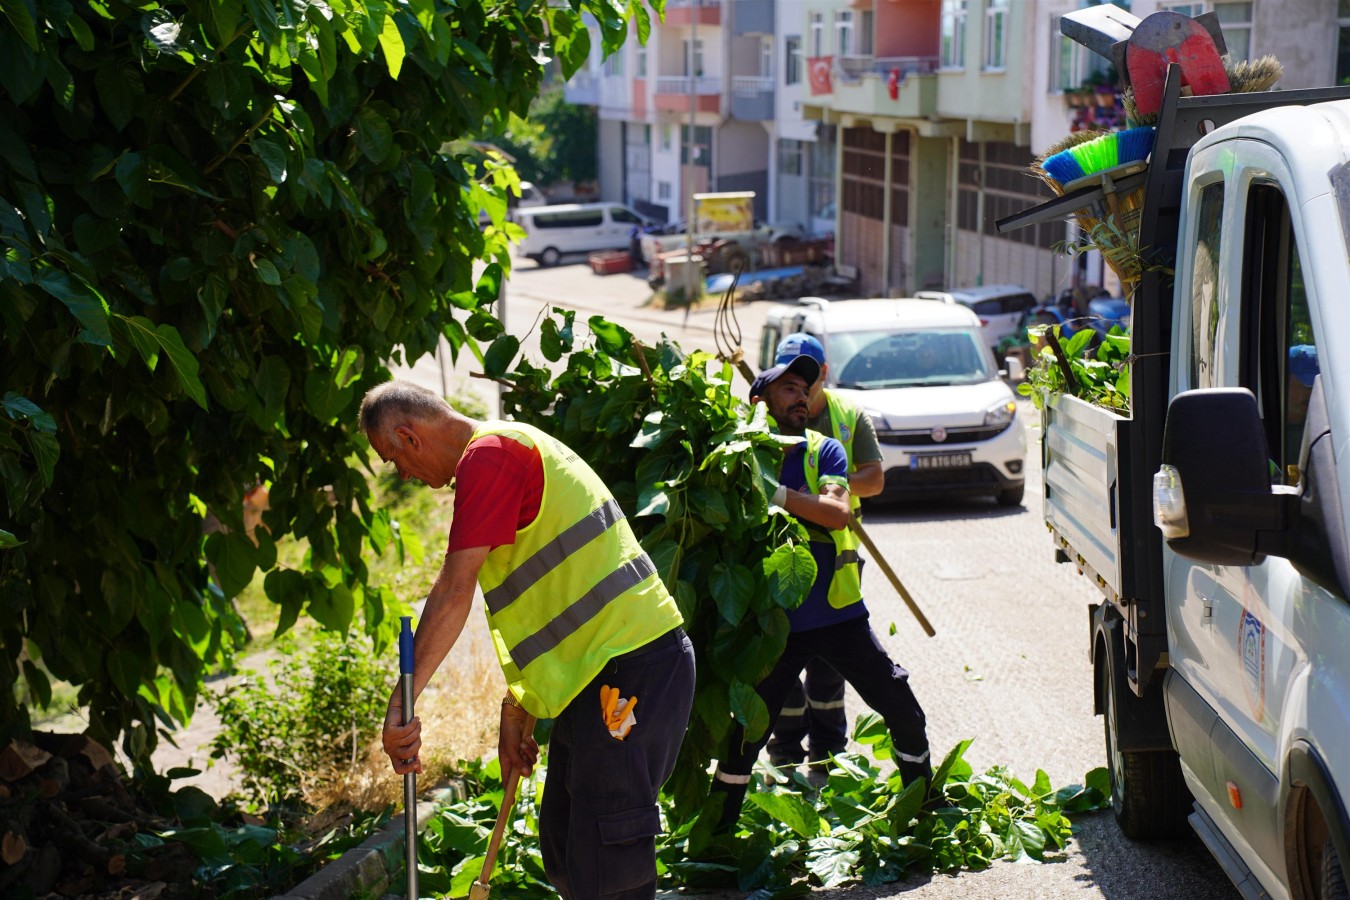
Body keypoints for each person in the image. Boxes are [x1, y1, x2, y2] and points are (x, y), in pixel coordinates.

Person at [362, 381, 695, 900]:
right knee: (567, 849)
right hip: (600, 676)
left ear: (408, 436)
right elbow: (552, 602)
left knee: (607, 866)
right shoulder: (497, 454)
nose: (403, 475)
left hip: (631, 670)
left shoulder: (491, 456)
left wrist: (401, 704)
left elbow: (454, 592)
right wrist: (520, 703)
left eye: (393, 460)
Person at [709, 357, 930, 829]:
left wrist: (778, 496)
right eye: (788, 388)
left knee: (900, 703)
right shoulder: (737, 454)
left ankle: (924, 804)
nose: (802, 397)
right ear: (759, 401)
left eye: (805, 388)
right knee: (747, 733)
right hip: (774, 623)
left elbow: (836, 511)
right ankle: (719, 830)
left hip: (837, 615)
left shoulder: (823, 451)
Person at [764, 333, 885, 775]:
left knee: (829, 666)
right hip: (777, 555)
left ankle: (828, 755)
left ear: (823, 375)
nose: (799, 386)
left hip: (836, 560)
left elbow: (873, 481)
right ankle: (785, 755)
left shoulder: (847, 416)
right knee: (780, 662)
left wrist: (825, 486)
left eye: (807, 377)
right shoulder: (763, 419)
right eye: (787, 376)